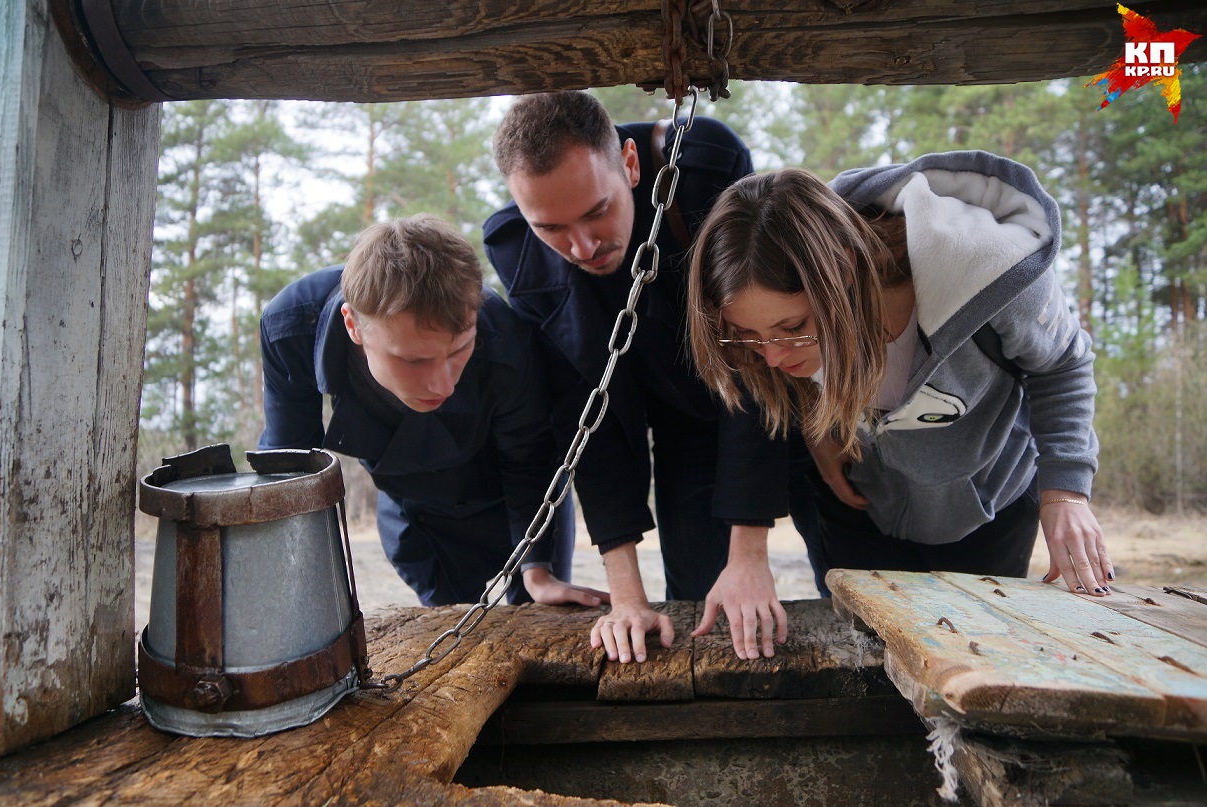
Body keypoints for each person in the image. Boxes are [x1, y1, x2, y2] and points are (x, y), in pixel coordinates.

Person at [483, 91, 822, 663]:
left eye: (597, 211)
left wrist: (749, 556)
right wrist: (626, 598)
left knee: (848, 575)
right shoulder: (521, 258)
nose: (583, 247)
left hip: (770, 393)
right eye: (552, 228)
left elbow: (754, 356)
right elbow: (587, 420)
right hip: (677, 434)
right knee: (699, 612)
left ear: (632, 164)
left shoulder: (704, 167)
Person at [687, 152, 1113, 597]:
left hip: (989, 504)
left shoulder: (987, 269)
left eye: (793, 329)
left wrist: (1065, 492)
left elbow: (1062, 365)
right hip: (861, 503)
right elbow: (770, 383)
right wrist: (820, 435)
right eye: (749, 336)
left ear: (845, 269)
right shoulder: (769, 325)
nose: (772, 358)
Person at [259, 214, 607, 609]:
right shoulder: (290, 329)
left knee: (536, 616)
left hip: (516, 504)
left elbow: (528, 458)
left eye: (460, 350)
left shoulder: (506, 337)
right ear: (353, 325)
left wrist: (538, 572)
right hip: (414, 514)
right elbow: (292, 470)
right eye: (414, 361)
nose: (443, 385)